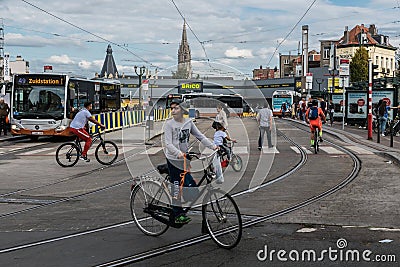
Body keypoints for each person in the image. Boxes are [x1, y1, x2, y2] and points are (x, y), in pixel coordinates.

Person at [164, 99, 218, 224]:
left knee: (191, 188)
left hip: (184, 159)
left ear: (182, 109)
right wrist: (178, 153)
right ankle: (177, 214)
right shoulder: (169, 124)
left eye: (176, 108)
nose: (173, 111)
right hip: (174, 159)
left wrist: (213, 146)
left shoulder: (188, 122)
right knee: (176, 187)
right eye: (172, 108)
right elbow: (168, 144)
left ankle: (181, 207)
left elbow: (200, 136)